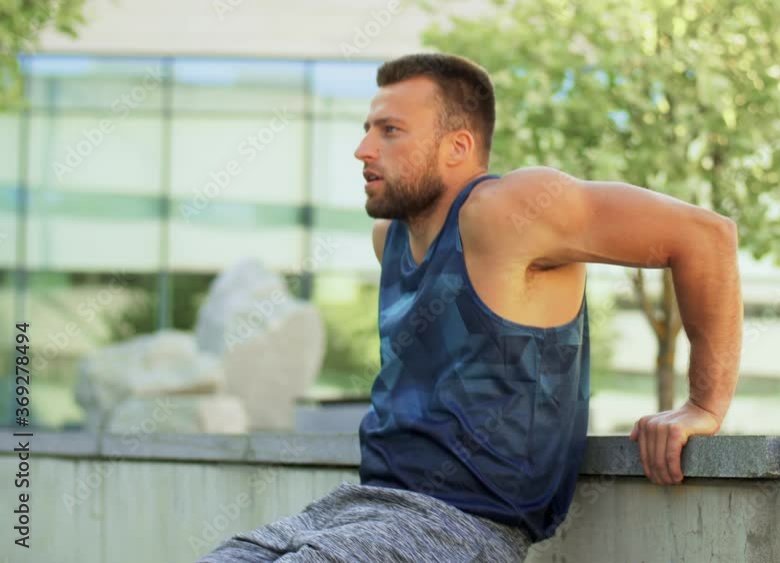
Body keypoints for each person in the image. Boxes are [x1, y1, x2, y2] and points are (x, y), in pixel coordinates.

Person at [199, 52, 742, 563]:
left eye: (389, 131)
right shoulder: (388, 239)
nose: (363, 150)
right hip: (358, 509)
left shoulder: (512, 210)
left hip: (462, 525)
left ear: (457, 147)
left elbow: (705, 236)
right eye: (367, 129)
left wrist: (703, 405)